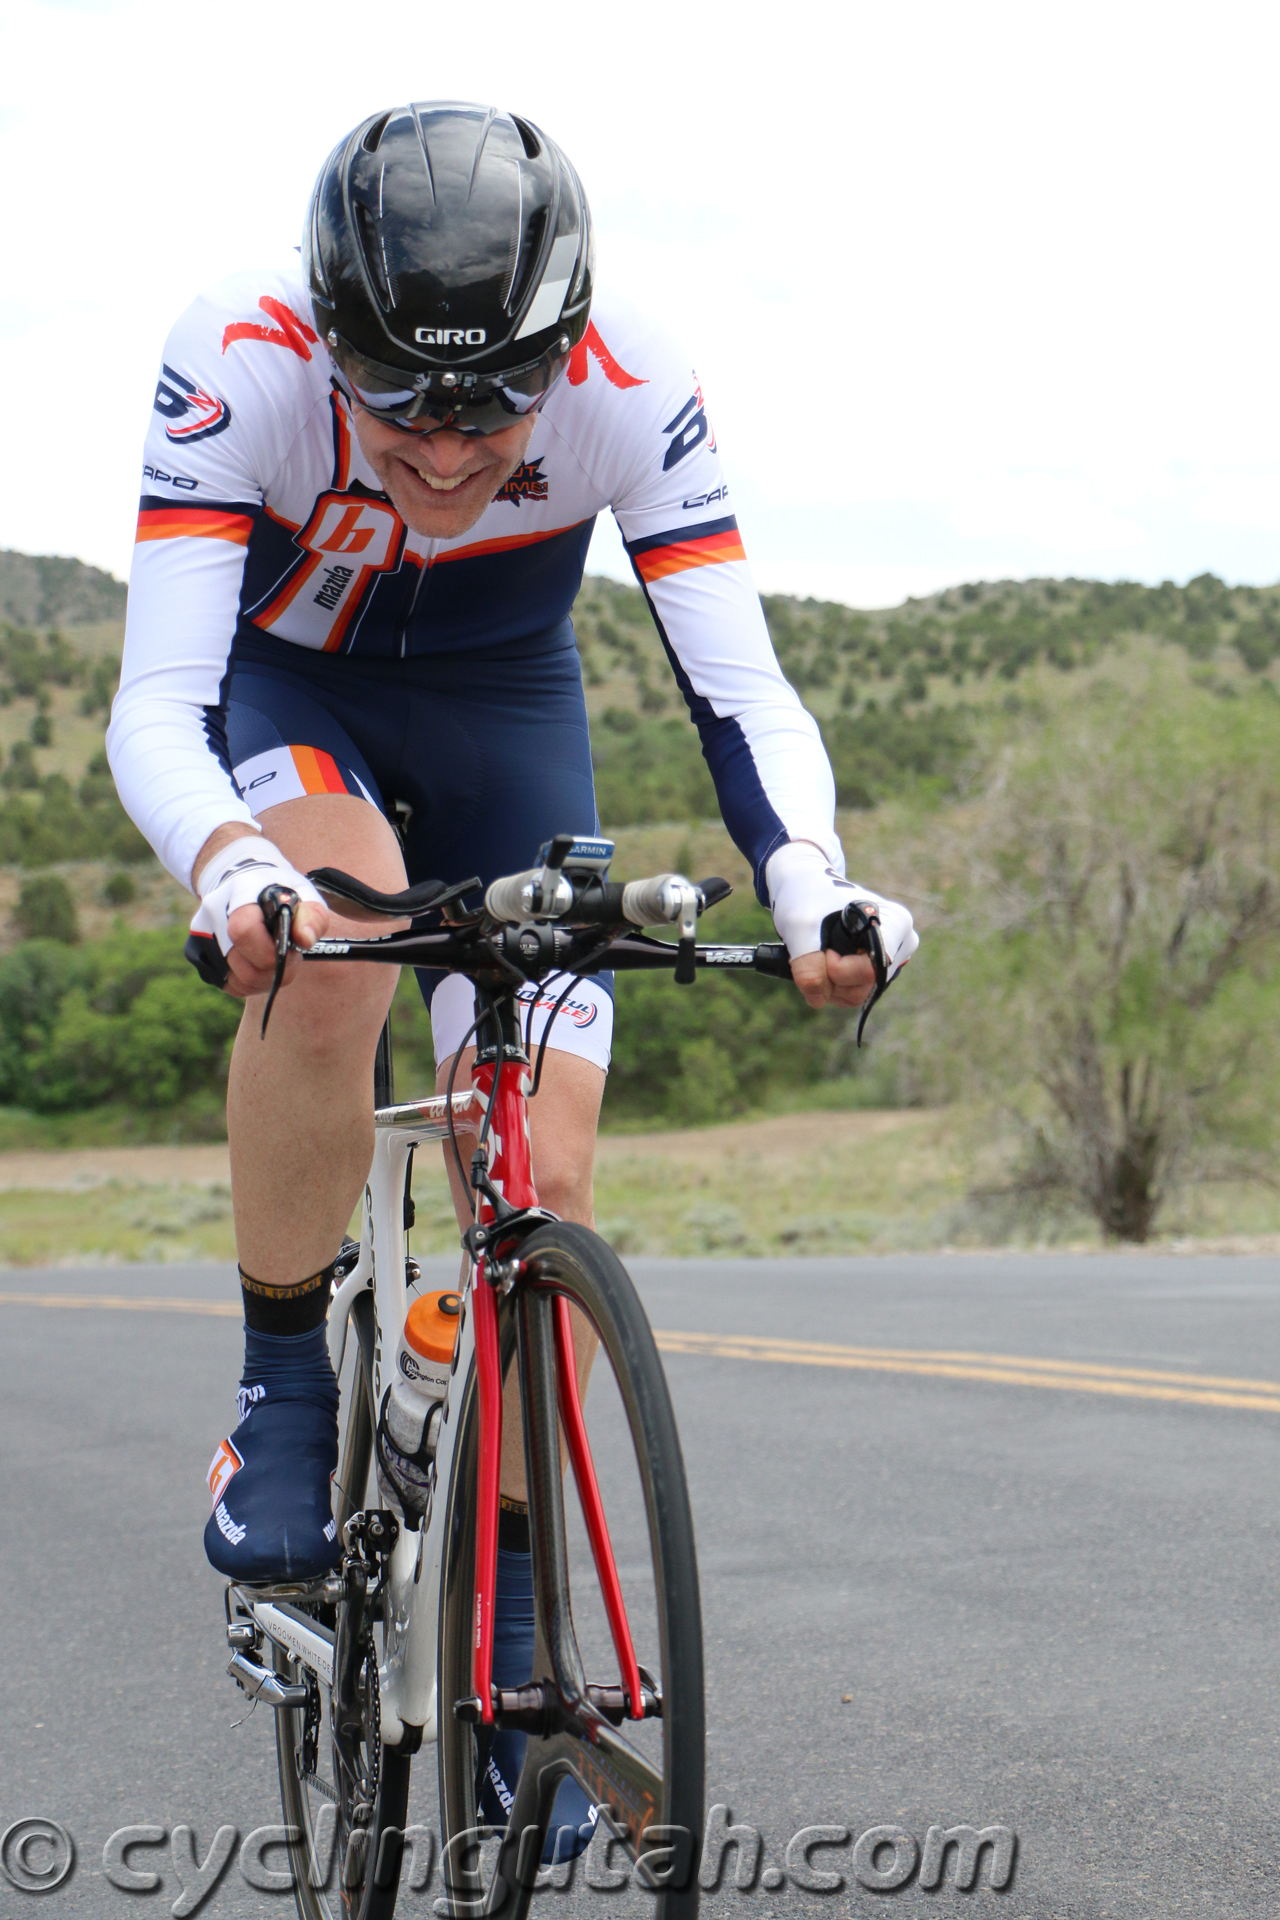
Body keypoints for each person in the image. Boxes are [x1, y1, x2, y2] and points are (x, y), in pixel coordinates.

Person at [107, 101, 918, 1837]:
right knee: (336, 937)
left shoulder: (636, 381)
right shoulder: (233, 357)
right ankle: (279, 1383)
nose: (455, 448)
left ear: (568, 351)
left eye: (497, 400)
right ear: (329, 337)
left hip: (504, 715)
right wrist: (233, 863)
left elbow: (736, 688)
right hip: (289, 694)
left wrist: (810, 890)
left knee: (539, 1162)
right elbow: (158, 703)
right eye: (401, 395)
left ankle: (520, 1615)